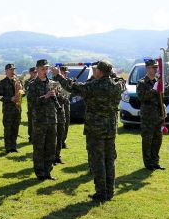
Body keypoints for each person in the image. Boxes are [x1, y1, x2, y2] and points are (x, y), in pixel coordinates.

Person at [53, 60, 125, 201]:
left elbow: (72, 87)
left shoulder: (94, 86)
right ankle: (110, 191)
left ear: (100, 71)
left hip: (96, 129)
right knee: (109, 160)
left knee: (98, 161)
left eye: (95, 69)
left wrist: (58, 76)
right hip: (110, 128)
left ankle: (101, 192)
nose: (94, 71)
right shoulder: (117, 86)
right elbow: (120, 81)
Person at [137, 59, 169, 171]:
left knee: (158, 139)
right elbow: (142, 97)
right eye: (153, 67)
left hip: (159, 114)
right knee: (147, 140)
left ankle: (155, 162)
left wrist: (166, 87)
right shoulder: (142, 82)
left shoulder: (158, 80)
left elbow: (167, 93)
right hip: (148, 116)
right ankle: (148, 163)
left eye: (156, 67)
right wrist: (155, 89)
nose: (156, 69)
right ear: (147, 69)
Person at [27, 59, 58, 181]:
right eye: (43, 69)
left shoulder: (52, 83)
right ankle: (40, 173)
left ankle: (48, 172)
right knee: (39, 147)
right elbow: (31, 102)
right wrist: (45, 97)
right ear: (37, 69)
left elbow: (61, 99)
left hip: (51, 119)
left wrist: (56, 95)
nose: (45, 71)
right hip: (39, 120)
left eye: (47, 69)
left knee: (51, 146)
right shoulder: (33, 84)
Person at [0, 63, 23, 153]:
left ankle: (14, 146)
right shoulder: (2, 82)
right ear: (6, 71)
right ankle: (8, 147)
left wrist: (20, 90)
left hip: (17, 108)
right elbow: (0, 97)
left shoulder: (17, 81)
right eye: (11, 70)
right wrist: (10, 98)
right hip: (8, 109)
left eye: (13, 70)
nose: (13, 71)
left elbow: (23, 94)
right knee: (8, 129)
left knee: (15, 128)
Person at [60, 66, 72, 149]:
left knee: (66, 123)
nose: (66, 75)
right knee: (60, 124)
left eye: (66, 73)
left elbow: (70, 92)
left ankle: (63, 141)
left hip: (66, 104)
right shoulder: (55, 81)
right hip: (59, 105)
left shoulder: (68, 81)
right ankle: (58, 142)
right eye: (64, 73)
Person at [24, 67, 37, 143]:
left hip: (38, 105)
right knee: (31, 121)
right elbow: (27, 92)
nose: (36, 74)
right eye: (34, 72)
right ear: (30, 73)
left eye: (36, 72)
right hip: (31, 105)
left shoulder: (39, 80)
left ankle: (36, 136)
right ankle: (31, 137)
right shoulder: (27, 82)